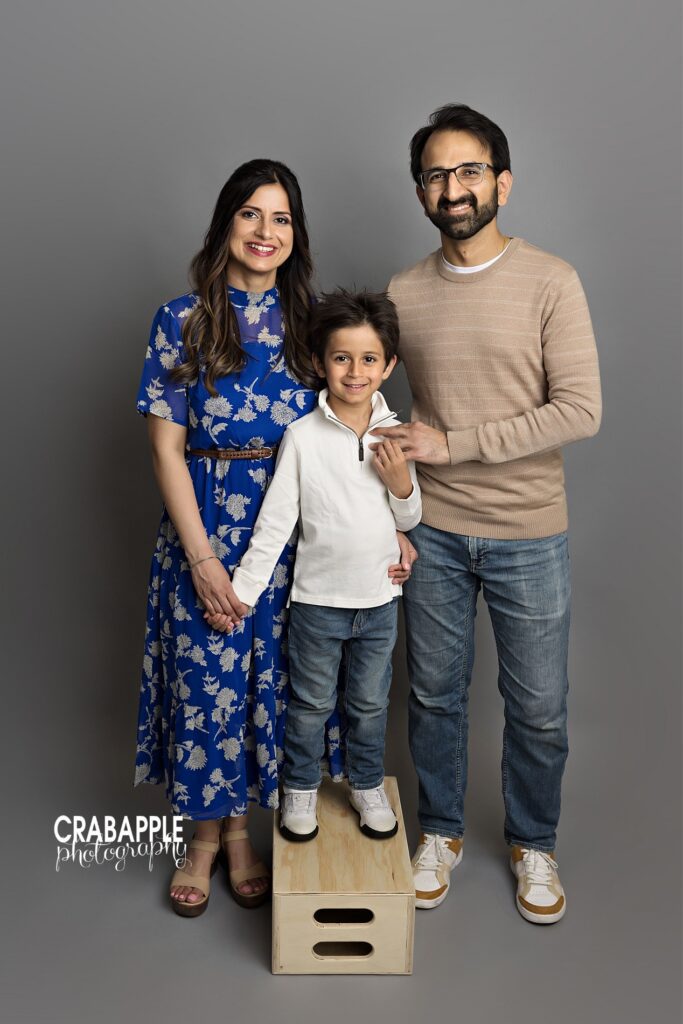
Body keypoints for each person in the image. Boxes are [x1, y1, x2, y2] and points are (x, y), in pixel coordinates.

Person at [135, 161, 414, 917]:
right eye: (251, 214)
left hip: (305, 536)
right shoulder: (181, 319)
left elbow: (364, 419)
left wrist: (392, 523)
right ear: (226, 223)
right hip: (207, 524)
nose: (266, 232)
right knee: (209, 685)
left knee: (283, 689)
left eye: (282, 218)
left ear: (297, 233)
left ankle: (243, 835)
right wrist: (200, 557)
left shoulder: (316, 322)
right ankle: (204, 841)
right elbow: (165, 448)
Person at [374, 104, 602, 923]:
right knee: (433, 696)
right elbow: (371, 398)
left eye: (469, 170)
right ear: (420, 193)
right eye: (436, 174)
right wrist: (387, 499)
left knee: (538, 708)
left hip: (528, 532)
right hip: (431, 531)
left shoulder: (551, 280)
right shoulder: (402, 291)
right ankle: (439, 832)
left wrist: (453, 445)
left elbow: (579, 411)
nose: (453, 188)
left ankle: (533, 843)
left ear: (501, 182)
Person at [229, 290, 422, 842]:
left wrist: (400, 485)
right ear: (320, 362)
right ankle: (300, 789)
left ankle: (366, 785)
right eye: (342, 358)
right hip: (317, 602)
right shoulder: (302, 437)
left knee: (369, 704)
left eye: (369, 359)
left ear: (388, 366)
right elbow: (275, 523)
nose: (355, 372)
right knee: (311, 704)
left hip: (379, 601)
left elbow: (409, 517)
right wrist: (242, 592)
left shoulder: (396, 435)